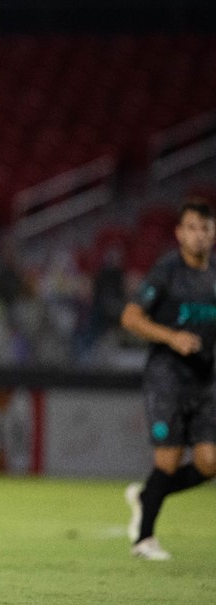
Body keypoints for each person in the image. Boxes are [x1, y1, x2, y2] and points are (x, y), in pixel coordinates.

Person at [120, 197, 216, 560]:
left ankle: (147, 495)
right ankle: (144, 539)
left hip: (205, 381)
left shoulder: (214, 275)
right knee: (168, 461)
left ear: (214, 233)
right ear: (179, 233)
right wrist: (171, 337)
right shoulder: (166, 272)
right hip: (167, 380)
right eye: (191, 228)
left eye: (205, 229)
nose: (198, 236)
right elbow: (130, 318)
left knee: (210, 463)